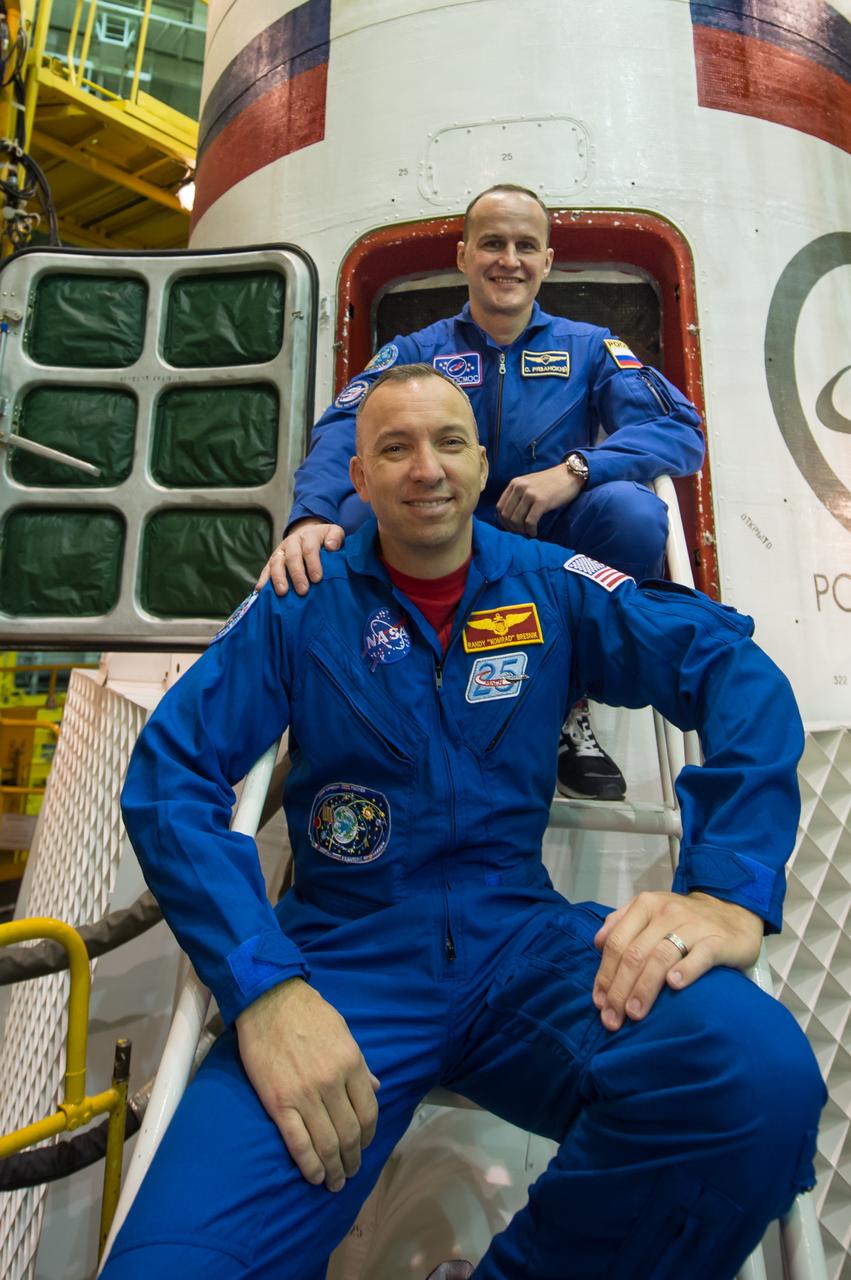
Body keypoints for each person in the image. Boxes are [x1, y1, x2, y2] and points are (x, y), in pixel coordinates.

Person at [106, 366, 823, 1280]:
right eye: (394, 448)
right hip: (340, 964)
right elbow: (171, 779)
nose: (426, 469)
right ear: (357, 479)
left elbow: (732, 671)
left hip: (517, 946)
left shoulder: (553, 585)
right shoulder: (301, 602)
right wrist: (264, 989)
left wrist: (725, 890)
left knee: (751, 1082)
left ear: (483, 465)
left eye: (448, 443)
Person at [257, 183, 706, 803]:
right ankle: (366, 698)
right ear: (463, 255)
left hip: (548, 540)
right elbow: (341, 434)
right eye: (492, 243)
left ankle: (566, 705)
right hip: (440, 537)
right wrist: (308, 518)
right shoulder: (415, 353)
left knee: (631, 511)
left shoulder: (590, 348)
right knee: (355, 514)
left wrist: (576, 469)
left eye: (526, 246)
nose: (509, 260)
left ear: (548, 263)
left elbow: (679, 429)